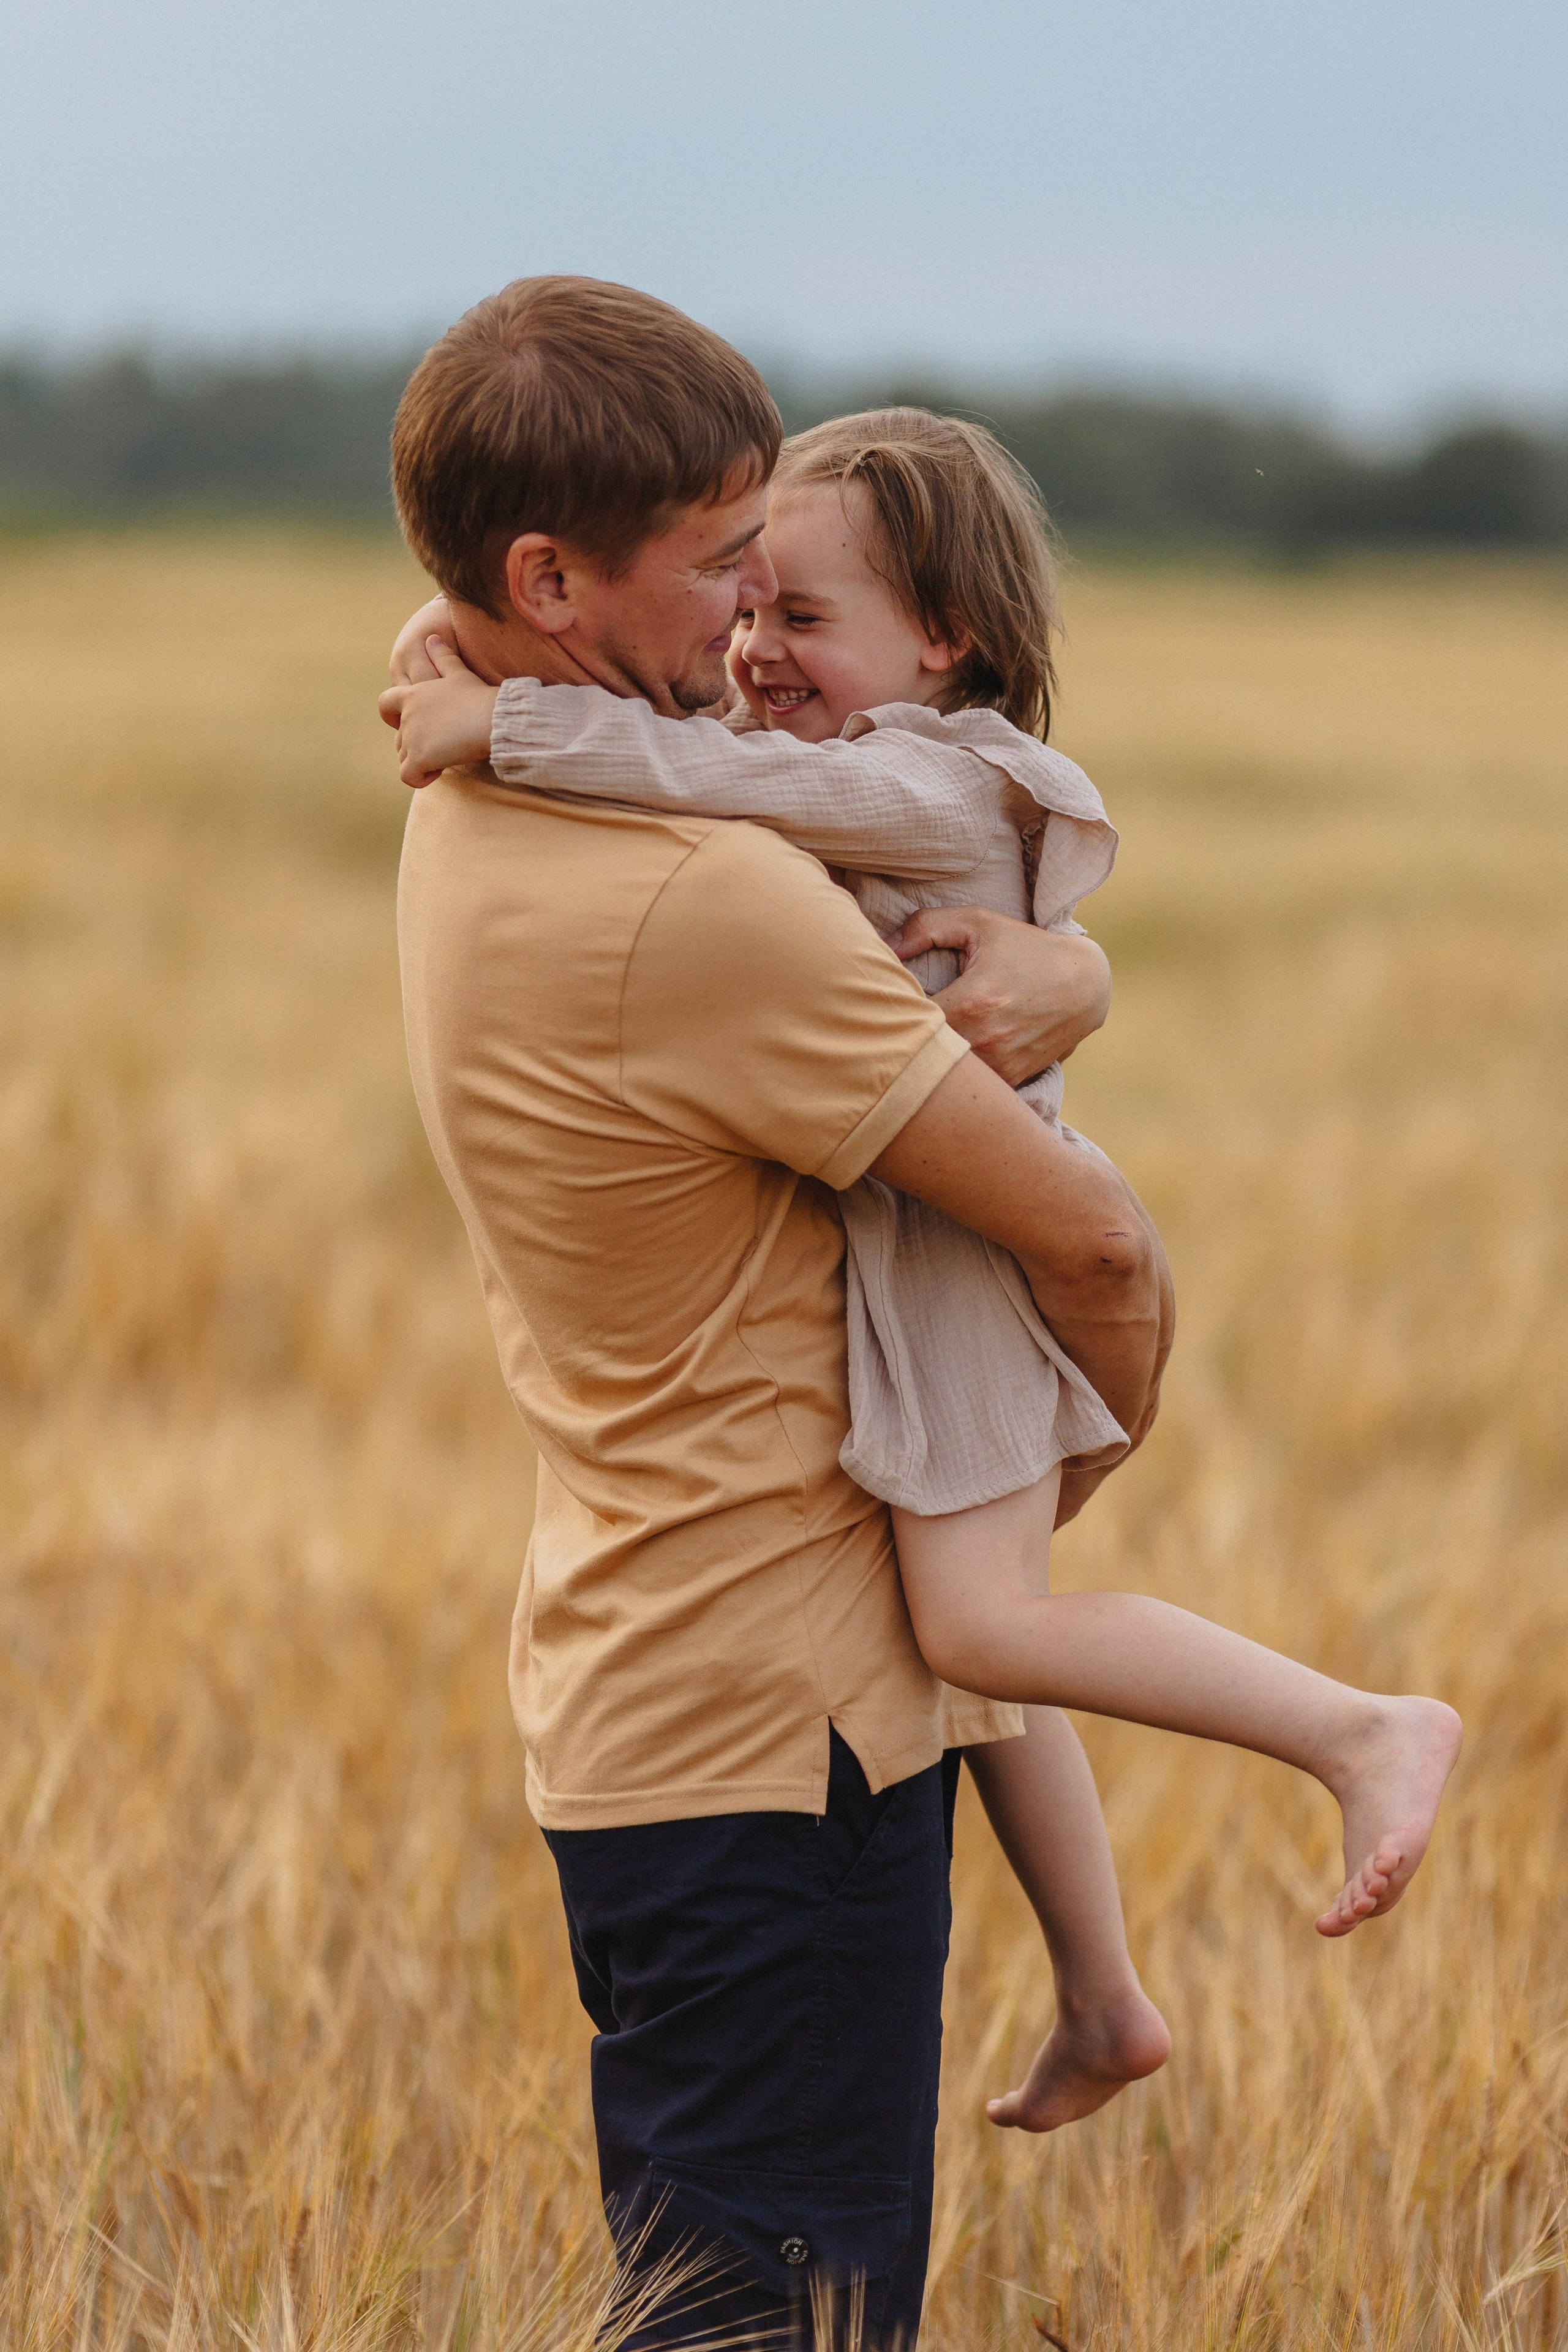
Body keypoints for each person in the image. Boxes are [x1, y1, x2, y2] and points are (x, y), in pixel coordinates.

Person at [383, 402, 1464, 2144]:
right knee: (973, 1647)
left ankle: (1354, 1729)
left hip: (960, 1257)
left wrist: (487, 718)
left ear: (943, 639)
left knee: (980, 1622)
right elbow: (634, 674)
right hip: (936, 1232)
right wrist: (452, 650)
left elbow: (707, 772)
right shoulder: (877, 750)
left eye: (797, 616)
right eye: (738, 600)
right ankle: (1107, 1991)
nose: (748, 649)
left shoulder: (907, 772)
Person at [387, 274, 1172, 2350]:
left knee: (716, 2303)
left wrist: (1067, 965)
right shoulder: (701, 891)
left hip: (638, 1695)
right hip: (785, 1734)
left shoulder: (468, 785)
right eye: (721, 560)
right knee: (775, 2333)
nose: (748, 616)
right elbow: (1091, 1251)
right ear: (552, 579)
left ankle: (1111, 1982)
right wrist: (1087, 1452)